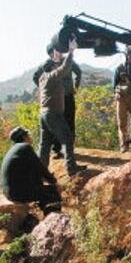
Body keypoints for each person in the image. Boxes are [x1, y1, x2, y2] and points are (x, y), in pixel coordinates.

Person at [37, 38, 85, 175]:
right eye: (55, 65)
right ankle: (71, 168)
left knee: (44, 145)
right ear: (52, 68)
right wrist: (71, 51)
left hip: (44, 114)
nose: (57, 66)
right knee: (67, 138)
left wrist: (57, 57)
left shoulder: (42, 78)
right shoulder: (52, 76)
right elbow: (64, 68)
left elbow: (62, 68)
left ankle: (42, 173)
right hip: (53, 113)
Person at [0, 127, 61, 215]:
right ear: (24, 137)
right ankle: (51, 215)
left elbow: (33, 170)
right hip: (18, 193)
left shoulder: (14, 150)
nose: (30, 137)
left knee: (41, 187)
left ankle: (43, 207)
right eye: (28, 135)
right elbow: (40, 168)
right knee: (54, 192)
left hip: (9, 192)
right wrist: (54, 182)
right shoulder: (25, 147)